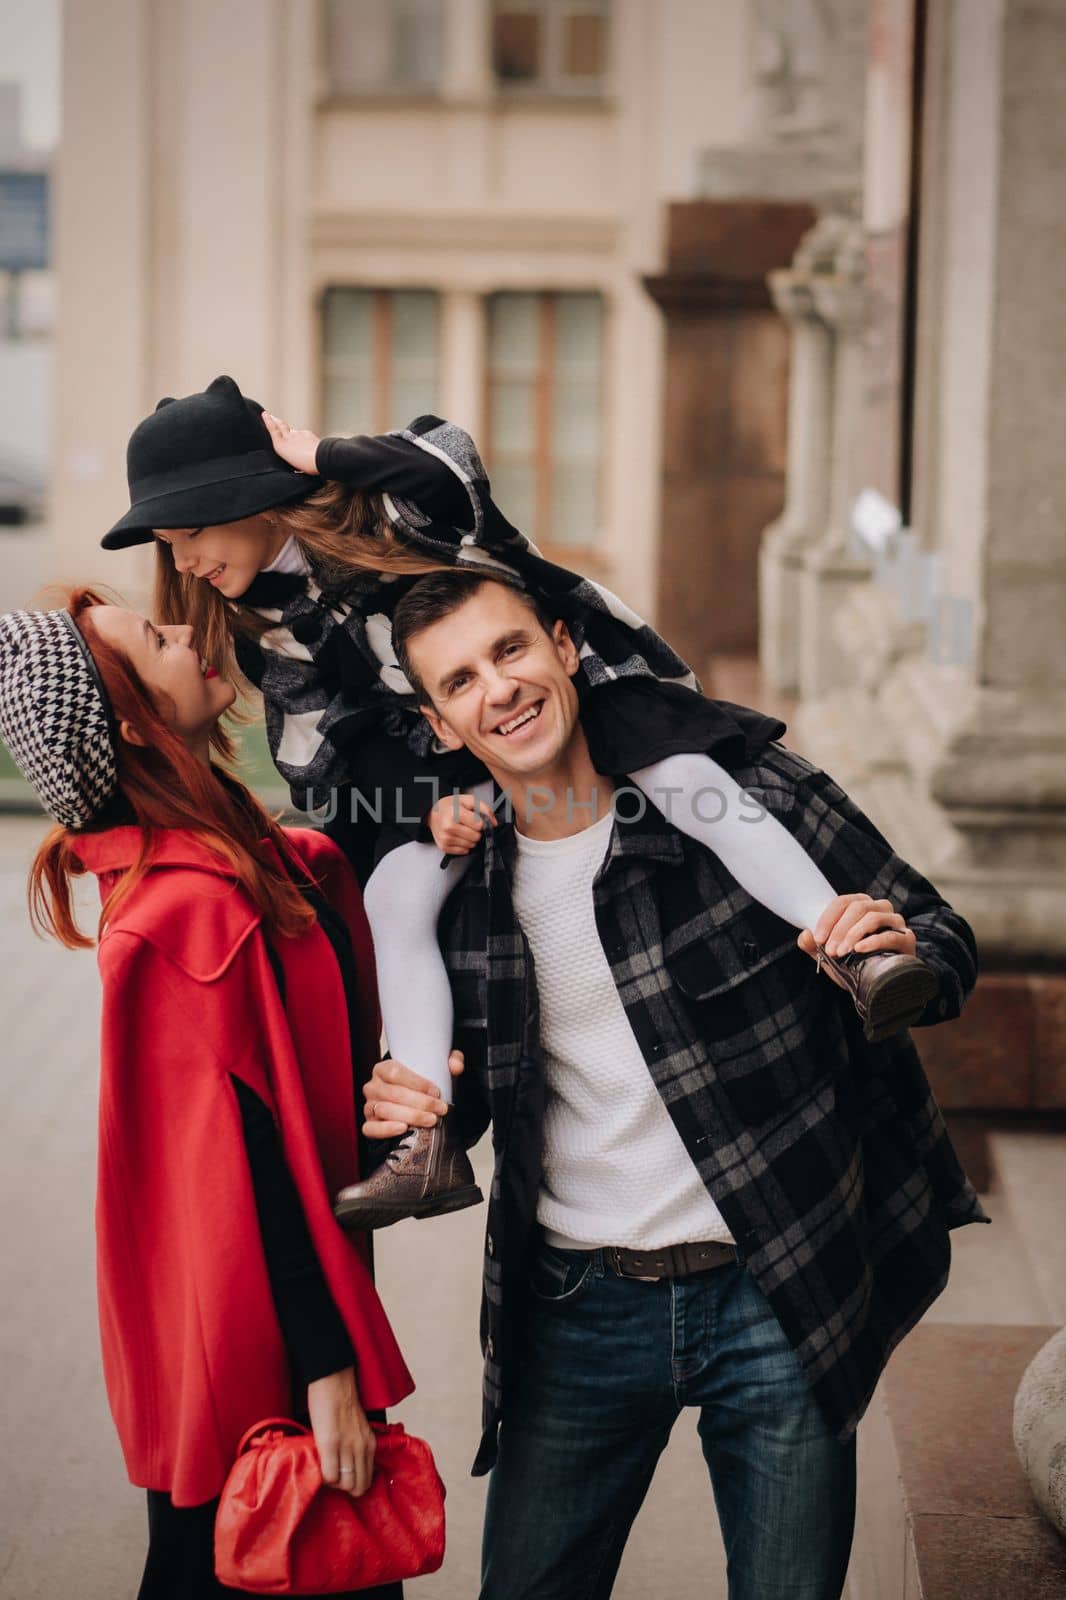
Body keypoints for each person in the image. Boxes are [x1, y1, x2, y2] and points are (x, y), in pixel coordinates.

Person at [102, 375, 938, 1228]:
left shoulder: (385, 510)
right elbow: (335, 754)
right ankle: (425, 1142)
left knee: (693, 789)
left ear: (250, 496)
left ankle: (855, 951)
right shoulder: (263, 625)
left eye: (190, 531)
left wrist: (318, 455)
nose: (182, 562)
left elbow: (451, 469)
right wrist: (425, 807)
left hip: (583, 698)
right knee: (395, 895)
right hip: (459, 766)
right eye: (167, 546)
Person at [360, 567, 990, 1600]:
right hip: (574, 1305)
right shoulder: (464, 886)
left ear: (565, 646)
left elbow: (940, 935)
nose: (500, 690)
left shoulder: (743, 797)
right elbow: (464, 1106)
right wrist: (401, 1104)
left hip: (774, 1281)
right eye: (462, 679)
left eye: (511, 650)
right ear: (439, 723)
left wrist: (897, 944)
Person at [0, 590, 415, 1600]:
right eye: (156, 639)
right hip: (252, 1348)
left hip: (258, 1320)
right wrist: (327, 1371)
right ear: (134, 720)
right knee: (253, 1562)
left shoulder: (224, 861)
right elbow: (247, 1166)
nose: (185, 634)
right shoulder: (176, 917)